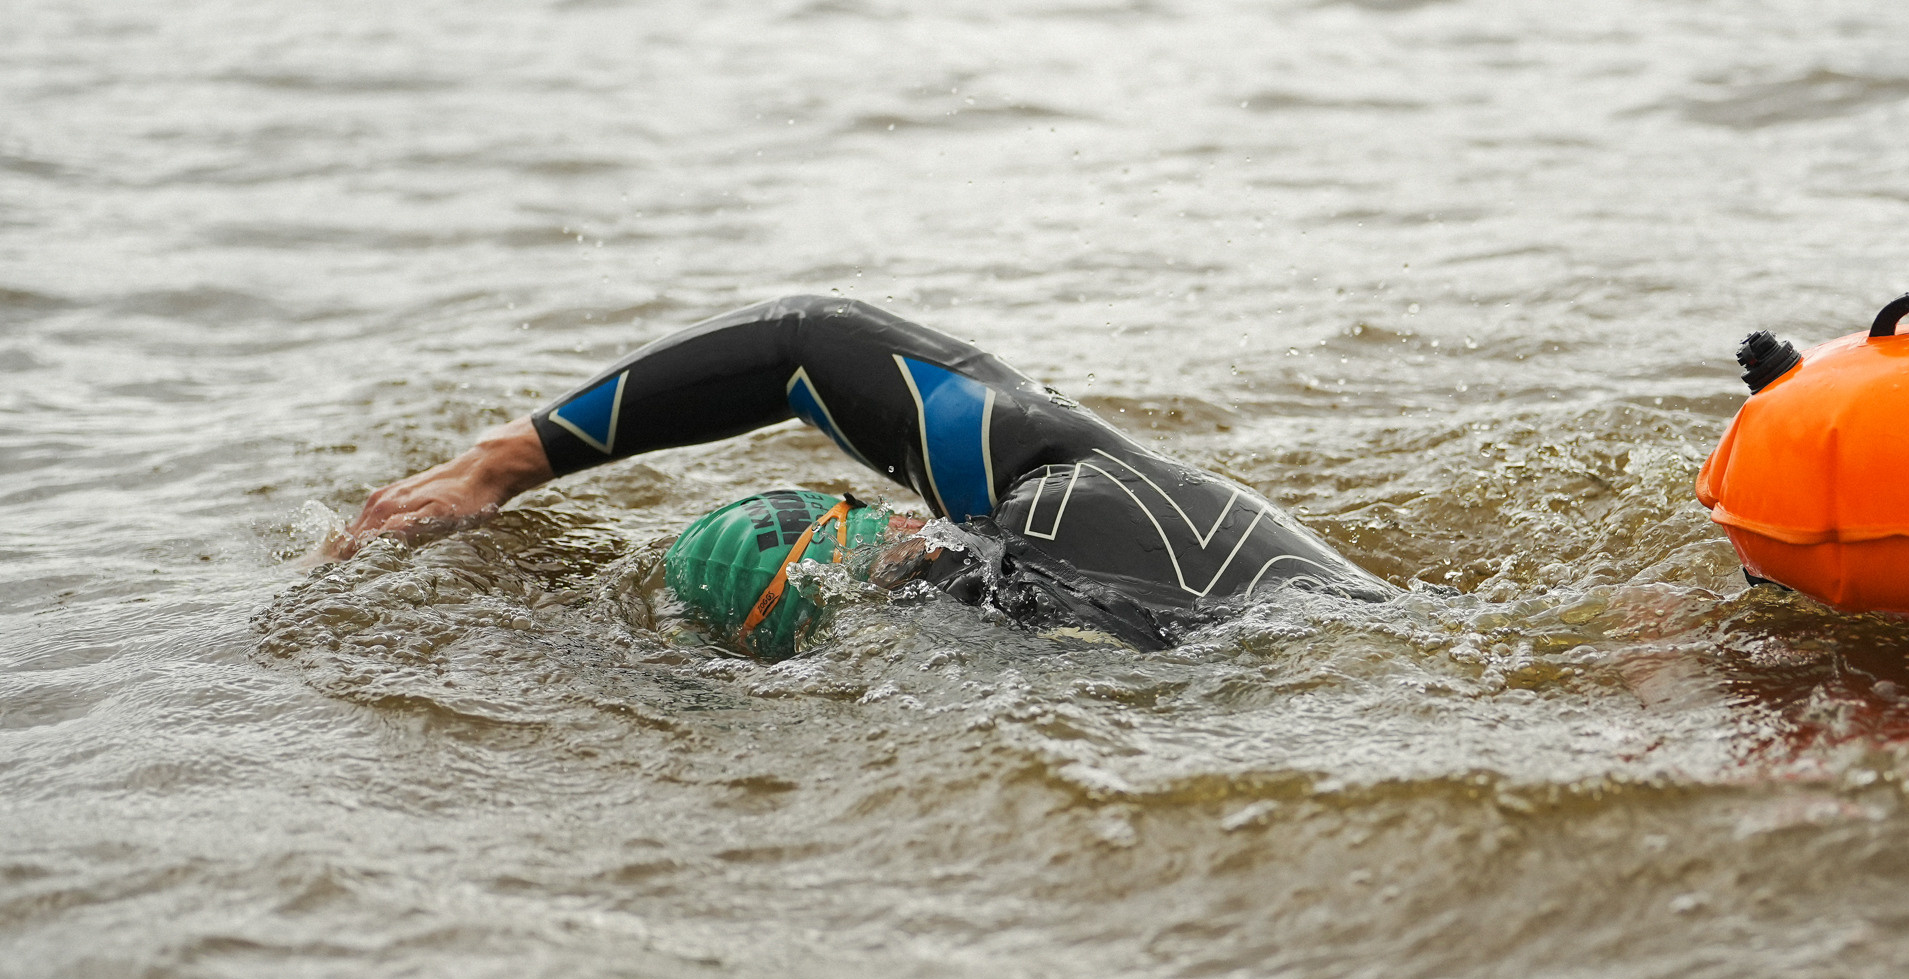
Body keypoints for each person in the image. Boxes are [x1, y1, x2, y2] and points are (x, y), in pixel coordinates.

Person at [329, 295, 1390, 653]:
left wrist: (498, 471)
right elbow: (806, 338)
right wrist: (504, 461)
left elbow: (801, 340)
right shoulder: (1062, 495)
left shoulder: (997, 619)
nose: (874, 513)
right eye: (830, 515)